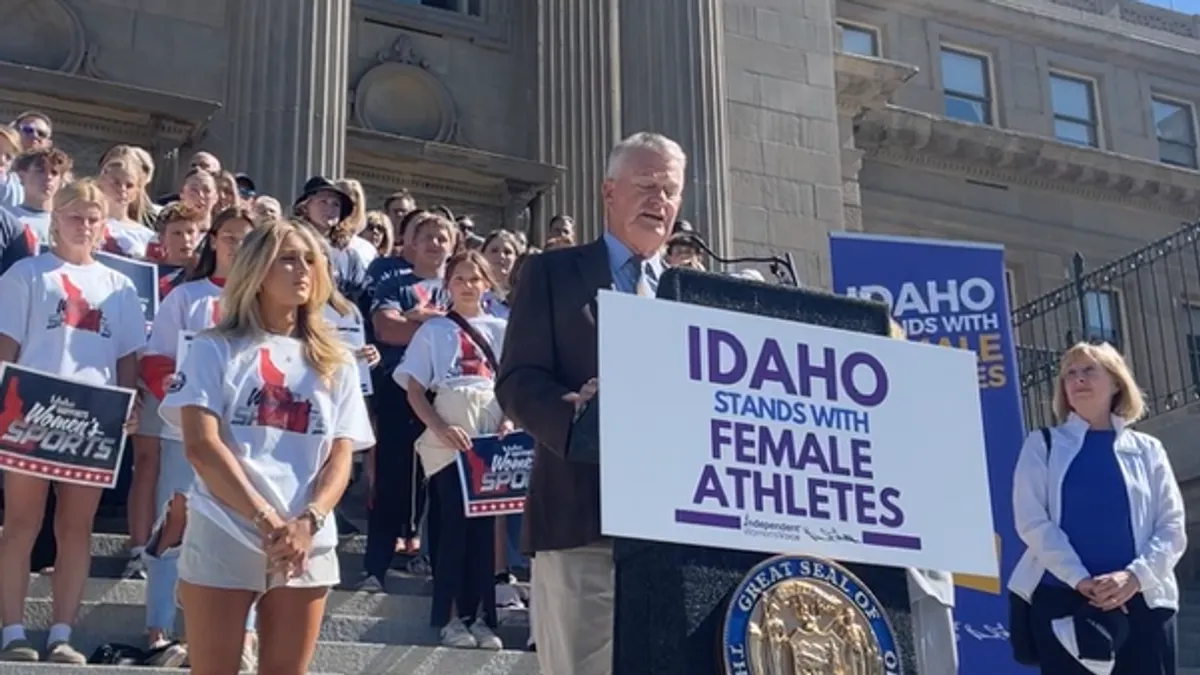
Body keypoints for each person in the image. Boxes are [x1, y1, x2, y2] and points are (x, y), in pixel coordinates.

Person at [495, 131, 682, 675]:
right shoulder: (552, 273)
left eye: (669, 191)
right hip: (581, 520)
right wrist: (576, 414)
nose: (658, 201)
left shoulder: (691, 293)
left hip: (672, 531)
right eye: (645, 186)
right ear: (608, 193)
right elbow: (518, 380)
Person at [159, 218, 374, 675]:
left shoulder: (336, 361)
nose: (303, 270)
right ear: (256, 269)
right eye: (288, 259)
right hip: (225, 526)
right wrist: (265, 518)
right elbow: (201, 445)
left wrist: (307, 520)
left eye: (311, 260)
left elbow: (341, 454)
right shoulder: (213, 347)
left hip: (305, 539)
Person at [0, 179, 144, 664]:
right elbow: (6, 349)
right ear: (55, 220)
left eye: (92, 218)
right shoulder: (26, 274)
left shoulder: (119, 286)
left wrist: (130, 403)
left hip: (93, 416)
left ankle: (62, 632)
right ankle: (13, 631)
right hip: (32, 409)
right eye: (75, 216)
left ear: (104, 225)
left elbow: (127, 358)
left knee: (75, 527)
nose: (83, 226)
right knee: (21, 522)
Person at [1008, 341, 1186, 675]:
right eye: (1070, 374)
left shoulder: (1149, 449)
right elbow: (1032, 521)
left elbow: (1172, 526)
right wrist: (1080, 580)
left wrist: (1134, 578)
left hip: (1143, 604)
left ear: (1116, 382)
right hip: (1063, 603)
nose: (1078, 379)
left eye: (1089, 370)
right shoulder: (1042, 445)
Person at [131, 206, 258, 668]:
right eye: (229, 236)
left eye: (249, 238)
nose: (238, 245)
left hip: (246, 439)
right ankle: (160, 630)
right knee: (175, 523)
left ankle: (242, 637)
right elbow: (156, 357)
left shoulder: (267, 306)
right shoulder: (187, 297)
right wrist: (186, 396)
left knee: (243, 530)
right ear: (214, 240)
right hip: (183, 429)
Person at [395, 250, 509, 650]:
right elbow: (412, 386)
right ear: (448, 284)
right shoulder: (434, 331)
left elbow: (514, 384)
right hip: (448, 439)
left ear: (487, 284)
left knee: (483, 533)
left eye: (475, 278)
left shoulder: (501, 327)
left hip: (489, 437)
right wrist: (439, 426)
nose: (467, 285)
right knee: (453, 529)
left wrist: (508, 422)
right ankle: (449, 618)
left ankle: (482, 618)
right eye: (459, 278)